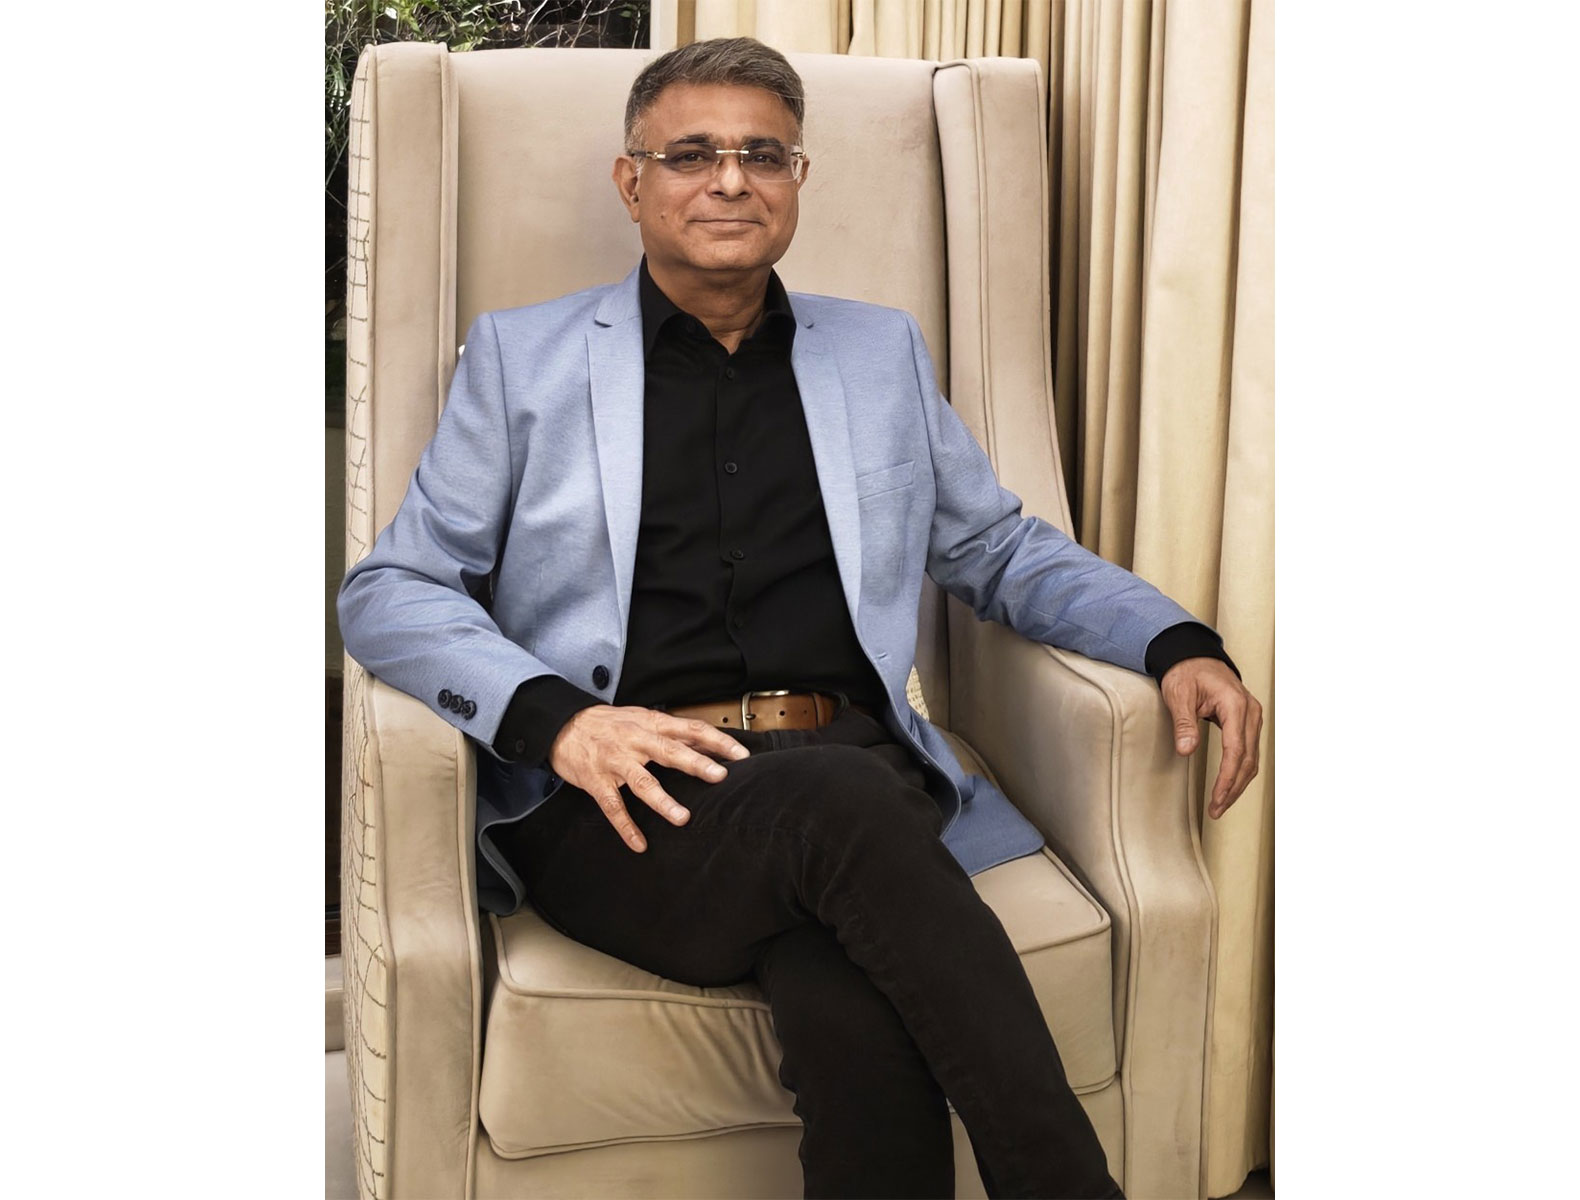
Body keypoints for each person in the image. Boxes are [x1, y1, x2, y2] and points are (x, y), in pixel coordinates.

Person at [339, 36, 1262, 1200]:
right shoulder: (524, 360)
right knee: (847, 806)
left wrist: (1171, 639)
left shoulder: (876, 352)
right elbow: (390, 589)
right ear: (632, 182)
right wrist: (560, 721)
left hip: (844, 775)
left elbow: (994, 549)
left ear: (797, 179)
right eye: (691, 154)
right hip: (631, 805)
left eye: (762, 154)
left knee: (847, 1008)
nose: (730, 179)